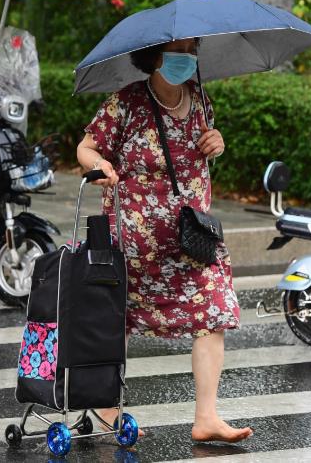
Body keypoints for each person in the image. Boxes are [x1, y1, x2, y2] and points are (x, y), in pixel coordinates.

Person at [77, 38, 252, 444]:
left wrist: (217, 142)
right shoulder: (127, 102)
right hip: (133, 241)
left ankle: (206, 417)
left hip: (191, 238)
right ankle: (105, 409)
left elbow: (203, 150)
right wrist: (99, 164)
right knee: (117, 319)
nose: (186, 58)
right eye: (178, 50)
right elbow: (86, 147)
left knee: (215, 308)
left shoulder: (201, 99)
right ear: (154, 55)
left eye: (192, 50)